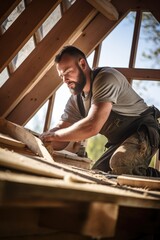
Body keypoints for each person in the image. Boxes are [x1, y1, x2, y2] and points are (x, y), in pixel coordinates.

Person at [40, 45, 160, 177]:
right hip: (120, 141)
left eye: (68, 72)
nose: (65, 80)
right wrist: (44, 139)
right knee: (99, 174)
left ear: (82, 63)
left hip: (145, 131)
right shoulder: (76, 101)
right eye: (61, 76)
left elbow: (92, 126)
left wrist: (55, 136)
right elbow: (61, 129)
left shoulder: (106, 78)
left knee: (121, 164)